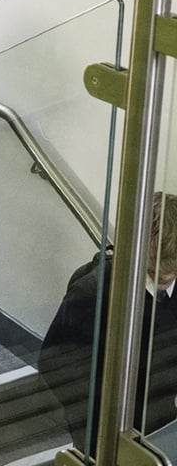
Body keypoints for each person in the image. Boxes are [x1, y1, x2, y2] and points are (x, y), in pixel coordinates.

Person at [38, 192, 177, 454]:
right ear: (135, 245)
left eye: (172, 270)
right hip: (104, 427)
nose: (165, 279)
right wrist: (98, 420)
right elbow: (54, 363)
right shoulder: (93, 292)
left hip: (160, 422)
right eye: (153, 271)